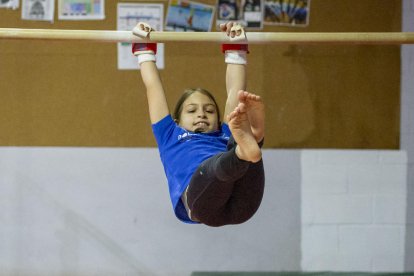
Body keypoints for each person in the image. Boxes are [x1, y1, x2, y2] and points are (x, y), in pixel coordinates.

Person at [132, 22, 265, 227]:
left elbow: (236, 90)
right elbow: (153, 87)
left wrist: (236, 46)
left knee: (237, 130)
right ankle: (254, 141)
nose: (202, 115)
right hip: (202, 204)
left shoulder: (225, 131)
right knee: (238, 149)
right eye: (192, 110)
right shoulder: (169, 133)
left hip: (242, 203)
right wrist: (144, 50)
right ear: (177, 120)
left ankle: (251, 141)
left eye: (210, 110)